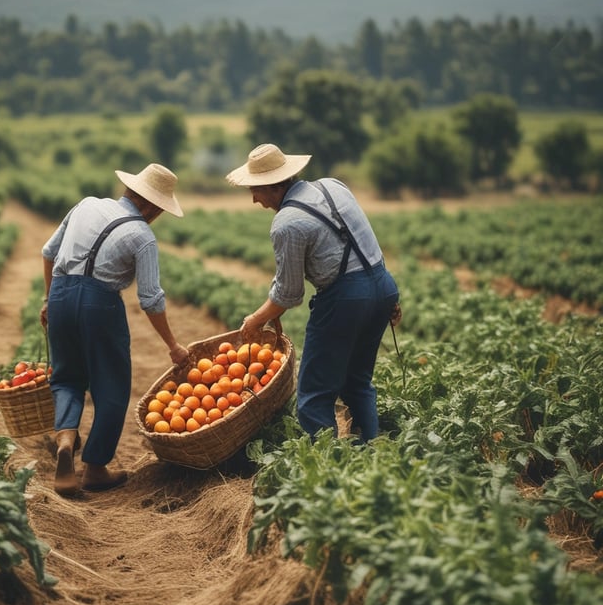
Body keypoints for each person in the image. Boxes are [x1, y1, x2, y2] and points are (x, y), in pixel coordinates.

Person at [226, 143, 401, 443]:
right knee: (358, 381)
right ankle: (371, 454)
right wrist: (385, 297)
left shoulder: (286, 223)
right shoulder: (333, 186)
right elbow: (364, 237)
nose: (254, 199)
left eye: (255, 189)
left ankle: (322, 471)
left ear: (271, 186)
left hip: (345, 299)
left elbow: (289, 293)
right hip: (382, 285)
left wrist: (255, 320)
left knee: (314, 393)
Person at [40, 163, 190, 496]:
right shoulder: (143, 237)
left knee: (66, 377)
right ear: (151, 206)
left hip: (62, 294)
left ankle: (66, 439)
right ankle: (94, 468)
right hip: (100, 305)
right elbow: (150, 299)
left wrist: (50, 299)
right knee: (111, 386)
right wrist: (172, 344)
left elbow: (48, 252)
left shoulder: (86, 204)